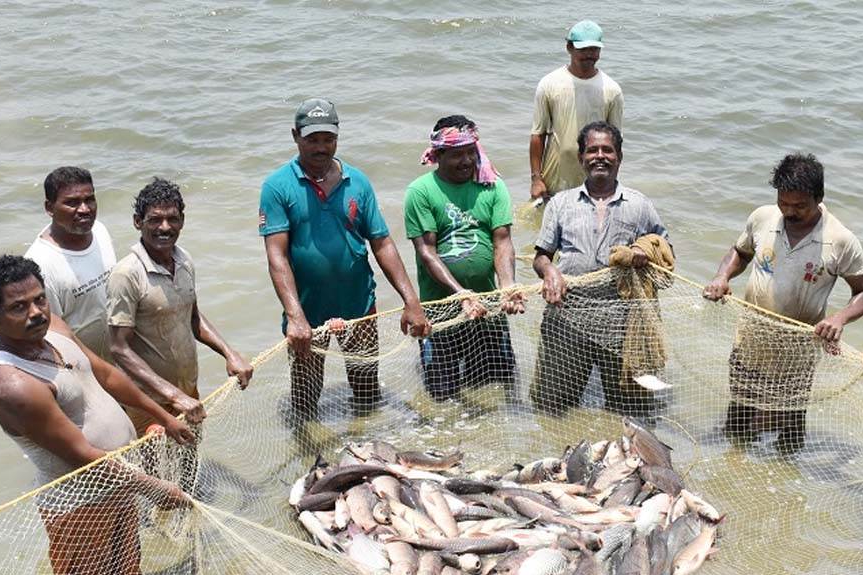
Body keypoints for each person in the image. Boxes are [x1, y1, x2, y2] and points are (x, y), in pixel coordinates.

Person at [0, 255, 193, 575]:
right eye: (18, 307)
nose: (35, 312)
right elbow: (81, 455)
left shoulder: (55, 328)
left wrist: (164, 412)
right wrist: (156, 487)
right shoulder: (12, 384)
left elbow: (107, 373)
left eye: (39, 299)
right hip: (80, 507)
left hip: (118, 486)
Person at [260, 98, 430, 420]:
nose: (321, 147)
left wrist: (411, 301)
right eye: (312, 139)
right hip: (307, 313)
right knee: (305, 399)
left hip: (359, 305)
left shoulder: (358, 182)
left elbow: (382, 243)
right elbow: (277, 256)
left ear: (337, 137)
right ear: (295, 136)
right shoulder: (277, 186)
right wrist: (295, 316)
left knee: (367, 393)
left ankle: (366, 446)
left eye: (328, 139)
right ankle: (310, 455)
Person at [703, 153, 863, 452]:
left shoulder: (840, 240)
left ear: (819, 198)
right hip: (751, 339)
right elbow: (740, 252)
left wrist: (839, 319)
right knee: (738, 418)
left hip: (798, 350)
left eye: (800, 206)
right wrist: (722, 277)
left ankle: (787, 483)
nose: (790, 211)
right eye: (784, 203)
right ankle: (735, 463)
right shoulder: (762, 218)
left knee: (791, 427)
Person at [531, 121, 668, 418]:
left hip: (622, 323)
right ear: (581, 158)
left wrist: (645, 251)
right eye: (592, 150)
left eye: (608, 150)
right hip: (567, 317)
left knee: (630, 411)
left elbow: (665, 253)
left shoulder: (640, 205)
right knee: (552, 408)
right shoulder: (560, 203)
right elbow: (541, 256)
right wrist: (550, 273)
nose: (600, 156)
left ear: (619, 157)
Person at [108, 178, 253, 440]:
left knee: (189, 456)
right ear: (137, 222)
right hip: (147, 401)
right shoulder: (126, 274)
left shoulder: (183, 259)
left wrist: (230, 354)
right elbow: (119, 349)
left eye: (172, 219)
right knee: (155, 473)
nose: (165, 227)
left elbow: (193, 317)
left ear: (182, 221)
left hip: (188, 391)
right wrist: (173, 396)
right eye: (154, 220)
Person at [405, 115, 525, 400]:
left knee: (494, 387)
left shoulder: (492, 186)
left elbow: (502, 241)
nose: (467, 160)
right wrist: (461, 295)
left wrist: (508, 285)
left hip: (488, 310)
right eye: (458, 154)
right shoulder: (420, 191)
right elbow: (426, 252)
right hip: (441, 313)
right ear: (438, 154)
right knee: (442, 396)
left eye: (471, 151)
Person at [24, 166, 117, 359]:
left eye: (89, 200)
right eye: (72, 203)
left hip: (115, 355)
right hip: (80, 365)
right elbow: (53, 337)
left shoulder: (100, 231)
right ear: (49, 208)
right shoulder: (40, 265)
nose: (84, 209)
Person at [529, 19, 623, 203]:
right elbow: (537, 135)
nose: (589, 55)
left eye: (594, 49)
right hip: (554, 179)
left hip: (595, 182)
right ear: (569, 48)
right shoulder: (549, 84)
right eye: (583, 49)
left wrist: (612, 183)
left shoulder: (612, 90)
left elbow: (616, 144)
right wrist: (536, 179)